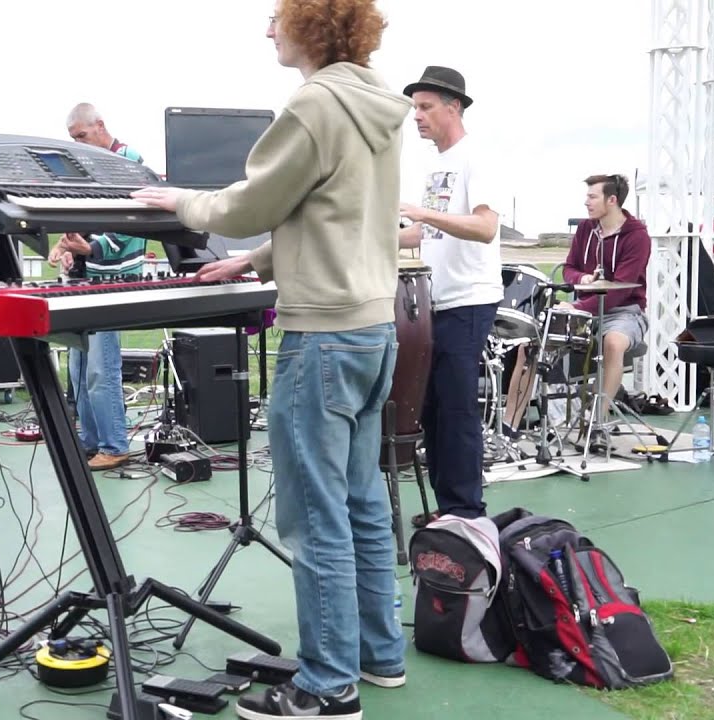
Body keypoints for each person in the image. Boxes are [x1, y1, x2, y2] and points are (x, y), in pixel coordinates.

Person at [133, 2, 410, 716]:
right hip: (373, 331)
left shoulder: (317, 102)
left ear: (312, 25)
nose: (267, 30)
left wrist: (180, 204)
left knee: (314, 517)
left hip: (321, 337)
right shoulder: (376, 103)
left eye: (276, 16)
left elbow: (251, 203)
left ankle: (327, 688)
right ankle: (379, 657)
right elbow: (339, 212)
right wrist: (257, 263)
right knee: (362, 505)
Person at [397, 65, 503, 528]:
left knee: (457, 406)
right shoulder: (436, 165)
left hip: (469, 298)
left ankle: (466, 513)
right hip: (436, 300)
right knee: (435, 406)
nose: (416, 116)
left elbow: (484, 227)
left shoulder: (475, 157)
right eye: (414, 108)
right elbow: (424, 231)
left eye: (425, 107)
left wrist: (421, 213)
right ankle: (448, 506)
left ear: (453, 106)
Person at [503, 174, 650, 442]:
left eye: (592, 197)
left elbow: (622, 290)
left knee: (614, 344)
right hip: (582, 309)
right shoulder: (585, 229)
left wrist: (578, 304)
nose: (586, 202)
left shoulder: (637, 236)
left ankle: (596, 423)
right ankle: (509, 424)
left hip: (624, 311)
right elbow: (569, 268)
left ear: (612, 200)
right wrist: (580, 279)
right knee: (530, 345)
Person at [49, 102, 147, 472]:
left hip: (116, 281)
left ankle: (114, 444)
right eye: (74, 139)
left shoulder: (129, 161)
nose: (79, 144)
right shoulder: (88, 165)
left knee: (100, 369)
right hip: (92, 277)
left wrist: (89, 248)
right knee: (78, 368)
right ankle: (91, 442)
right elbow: (87, 218)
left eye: (82, 136)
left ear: (100, 125)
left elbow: (130, 220)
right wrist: (70, 247)